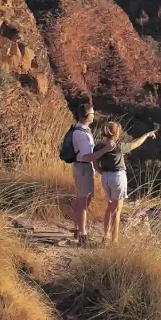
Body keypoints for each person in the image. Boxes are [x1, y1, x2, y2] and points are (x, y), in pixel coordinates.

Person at [95, 121, 157, 243]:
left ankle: (105, 236)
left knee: (109, 208)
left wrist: (101, 171)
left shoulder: (98, 146)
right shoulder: (119, 147)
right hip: (118, 177)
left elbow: (95, 162)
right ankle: (115, 240)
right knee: (117, 210)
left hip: (106, 177)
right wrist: (146, 135)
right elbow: (136, 144)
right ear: (116, 133)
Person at [68, 102, 114, 246]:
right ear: (87, 116)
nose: (94, 115)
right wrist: (105, 150)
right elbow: (88, 156)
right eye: (93, 113)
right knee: (84, 201)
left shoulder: (80, 130)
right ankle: (83, 236)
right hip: (83, 168)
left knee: (81, 199)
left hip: (81, 168)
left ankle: (77, 230)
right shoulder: (82, 134)